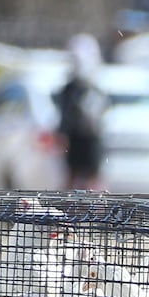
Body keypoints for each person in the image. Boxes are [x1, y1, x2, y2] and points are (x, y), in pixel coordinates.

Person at [54, 33, 109, 190]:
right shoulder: (71, 88)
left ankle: (98, 211)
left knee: (93, 181)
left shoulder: (96, 85)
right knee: (74, 179)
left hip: (91, 139)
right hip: (77, 139)